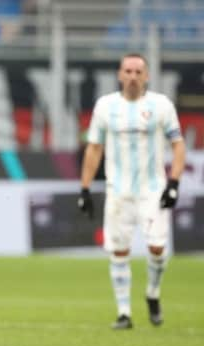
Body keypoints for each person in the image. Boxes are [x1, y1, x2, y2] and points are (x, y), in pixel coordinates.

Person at [78, 53, 186, 330]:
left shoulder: (161, 105)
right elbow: (94, 148)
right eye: (128, 71)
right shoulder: (106, 106)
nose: (133, 76)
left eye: (139, 71)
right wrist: (85, 188)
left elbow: (178, 144)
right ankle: (124, 312)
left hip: (153, 190)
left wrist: (173, 183)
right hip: (118, 191)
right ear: (120, 74)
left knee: (157, 248)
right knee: (118, 251)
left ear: (147, 76)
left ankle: (152, 292)